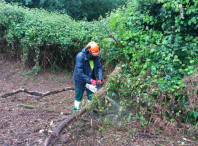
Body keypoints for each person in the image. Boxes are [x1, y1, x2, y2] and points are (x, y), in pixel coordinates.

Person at [73, 41, 103, 111]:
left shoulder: (95, 56)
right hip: (80, 80)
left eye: (95, 55)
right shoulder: (80, 56)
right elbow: (79, 72)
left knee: (91, 97)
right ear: (88, 51)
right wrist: (90, 80)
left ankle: (90, 112)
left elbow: (99, 67)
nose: (94, 57)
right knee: (78, 97)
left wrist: (99, 79)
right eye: (93, 55)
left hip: (91, 79)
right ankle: (76, 112)